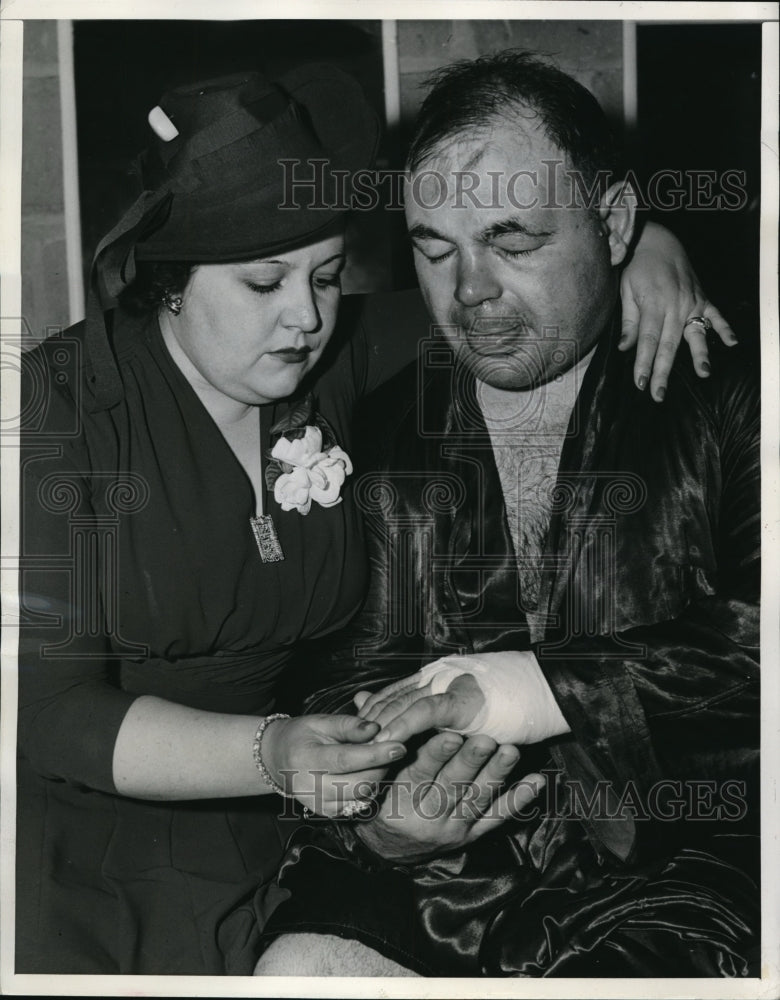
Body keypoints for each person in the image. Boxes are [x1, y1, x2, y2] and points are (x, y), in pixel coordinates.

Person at [16, 61, 731, 976]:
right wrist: (273, 753)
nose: (307, 318)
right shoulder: (55, 413)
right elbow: (49, 713)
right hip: (92, 854)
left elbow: (509, 299)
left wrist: (646, 246)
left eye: (325, 276)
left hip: (288, 838)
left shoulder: (331, 362)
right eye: (264, 284)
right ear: (168, 281)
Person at [252, 52, 760, 978]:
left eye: (513, 242)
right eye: (435, 250)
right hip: (446, 882)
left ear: (613, 225)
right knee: (298, 967)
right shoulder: (385, 426)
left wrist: (527, 689)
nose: (470, 291)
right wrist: (379, 820)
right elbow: (343, 673)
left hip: (692, 876)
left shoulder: (731, 398)